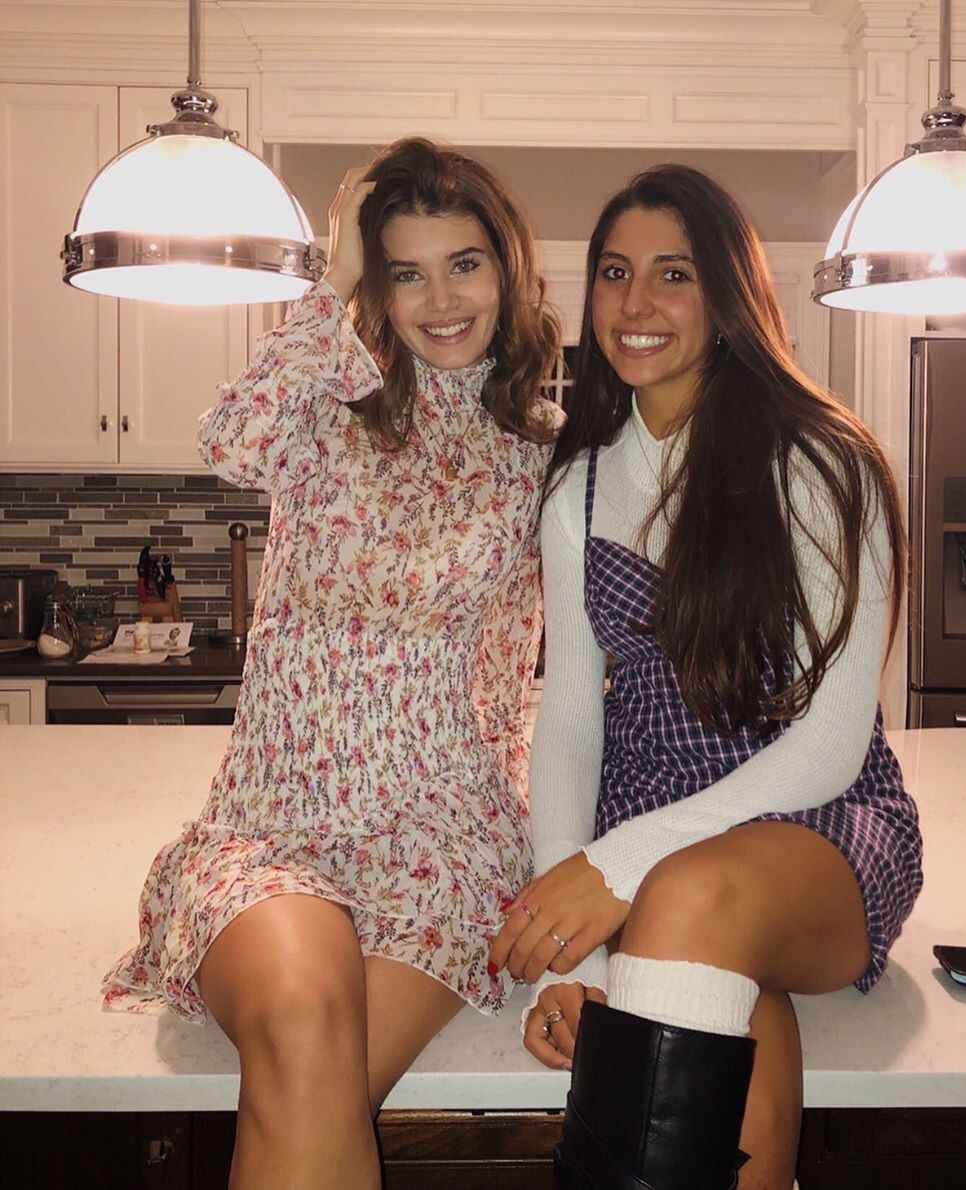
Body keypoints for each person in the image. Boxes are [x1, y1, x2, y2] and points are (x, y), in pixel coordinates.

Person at [102, 137, 561, 1190]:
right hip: (278, 821)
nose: (440, 300)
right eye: (406, 272)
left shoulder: (546, 450)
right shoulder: (326, 402)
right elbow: (227, 438)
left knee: (310, 1087)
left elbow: (585, 668)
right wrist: (332, 277)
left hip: (447, 842)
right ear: (377, 286)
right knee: (305, 1024)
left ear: (508, 270)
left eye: (464, 264)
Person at [489, 165, 924, 1190]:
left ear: (728, 291)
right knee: (722, 1005)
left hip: (816, 821)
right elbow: (570, 722)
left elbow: (832, 743)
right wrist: (573, 960)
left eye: (673, 274)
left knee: (685, 897)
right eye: (614, 273)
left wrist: (618, 868)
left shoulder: (822, 462)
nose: (635, 303)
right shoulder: (580, 484)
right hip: (645, 824)